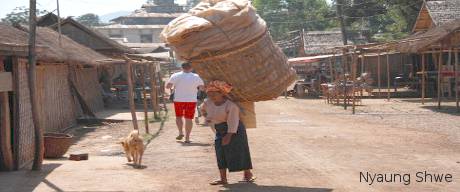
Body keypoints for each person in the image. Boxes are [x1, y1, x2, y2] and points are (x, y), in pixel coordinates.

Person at [201, 80, 255, 185]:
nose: (211, 96)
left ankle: (247, 174)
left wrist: (229, 135)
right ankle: (223, 178)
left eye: (214, 94)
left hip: (235, 130)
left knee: (240, 151)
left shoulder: (231, 105)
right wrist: (207, 117)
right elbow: (203, 110)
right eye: (209, 94)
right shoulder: (207, 103)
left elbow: (233, 121)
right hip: (220, 129)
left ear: (222, 93)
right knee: (220, 152)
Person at [166, 63, 204, 143]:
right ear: (191, 68)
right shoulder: (196, 76)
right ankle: (187, 138)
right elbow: (202, 88)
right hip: (191, 100)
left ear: (181, 67)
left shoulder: (175, 75)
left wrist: (174, 85)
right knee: (189, 119)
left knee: (179, 117)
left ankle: (180, 132)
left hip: (178, 100)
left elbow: (168, 86)